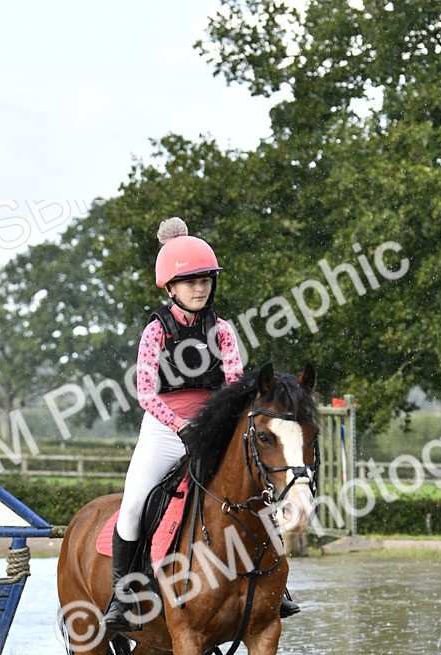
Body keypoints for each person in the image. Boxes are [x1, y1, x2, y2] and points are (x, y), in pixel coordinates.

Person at [104, 216, 300, 633]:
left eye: (206, 280)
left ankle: (276, 586)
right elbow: (145, 393)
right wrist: (179, 426)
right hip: (163, 429)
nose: (200, 288)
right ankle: (123, 596)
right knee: (136, 502)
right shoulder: (154, 331)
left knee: (256, 490)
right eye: (191, 281)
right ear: (171, 288)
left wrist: (216, 424)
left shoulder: (223, 331)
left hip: (214, 427)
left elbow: (233, 384)